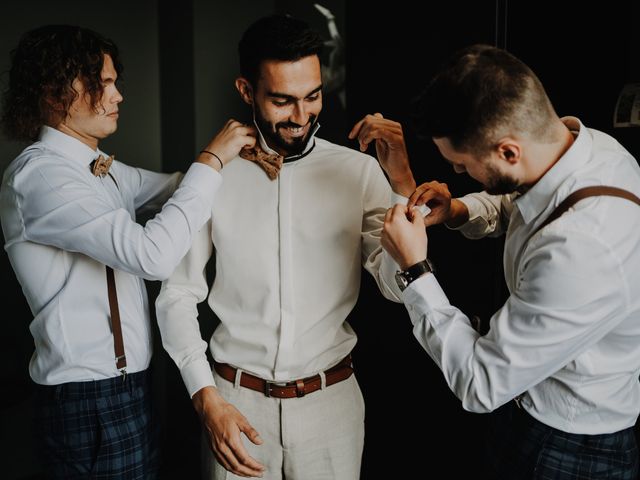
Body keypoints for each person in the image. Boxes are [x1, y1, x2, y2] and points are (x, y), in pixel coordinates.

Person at [155, 14, 416, 480]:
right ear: (245, 90)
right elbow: (177, 293)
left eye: (312, 96)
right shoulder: (212, 177)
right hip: (234, 403)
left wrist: (401, 184)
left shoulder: (358, 173)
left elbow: (400, 288)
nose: (300, 117)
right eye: (282, 100)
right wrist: (205, 397)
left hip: (331, 407)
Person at [0, 25, 255, 479]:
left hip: (130, 391)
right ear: (58, 89)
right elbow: (152, 255)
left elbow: (179, 187)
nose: (118, 96)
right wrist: (213, 159)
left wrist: (243, 165)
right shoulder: (40, 177)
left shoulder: (100, 170)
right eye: (106, 83)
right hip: (85, 399)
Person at [376, 44, 640, 479]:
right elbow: (525, 202)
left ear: (508, 153)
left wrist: (414, 270)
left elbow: (480, 385)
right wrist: (458, 209)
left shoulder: (581, 248)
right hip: (528, 411)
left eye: (462, 164)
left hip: (566, 450)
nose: (459, 174)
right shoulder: (587, 149)